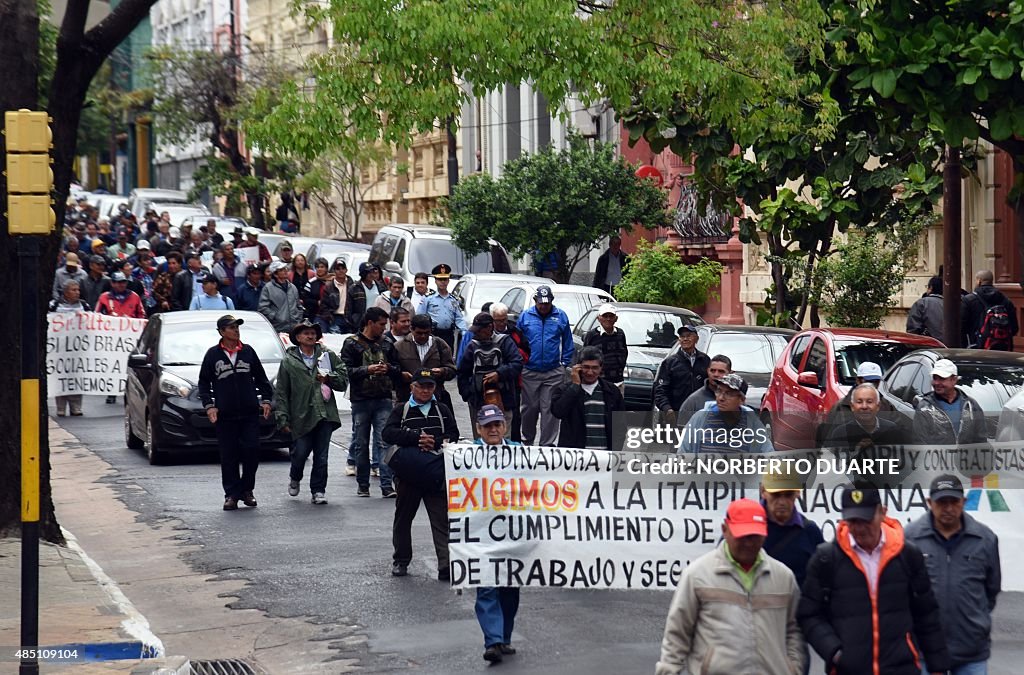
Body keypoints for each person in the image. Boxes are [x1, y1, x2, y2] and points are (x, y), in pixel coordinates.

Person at [798, 484, 951, 675]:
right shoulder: (826, 559)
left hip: (901, 669)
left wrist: (938, 668)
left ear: (882, 512)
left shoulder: (908, 555)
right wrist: (835, 652)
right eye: (853, 521)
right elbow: (808, 614)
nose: (859, 528)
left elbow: (926, 614)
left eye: (866, 519)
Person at [657, 499, 805, 675]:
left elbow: (794, 630)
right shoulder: (697, 575)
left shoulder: (783, 577)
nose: (749, 543)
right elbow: (677, 634)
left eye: (755, 536)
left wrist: (793, 669)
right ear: (725, 529)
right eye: (743, 536)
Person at [905, 474, 1001, 675]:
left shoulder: (985, 539)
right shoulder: (909, 539)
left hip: (971, 652)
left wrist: (975, 620)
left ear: (963, 502)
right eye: (941, 502)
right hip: (924, 650)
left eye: (954, 502)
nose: (948, 508)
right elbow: (901, 590)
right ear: (930, 503)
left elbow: (991, 590)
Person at [381, 369, 459, 579]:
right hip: (408, 475)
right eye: (421, 386)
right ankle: (401, 560)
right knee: (404, 519)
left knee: (441, 520)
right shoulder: (401, 410)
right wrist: (415, 438)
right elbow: (387, 434)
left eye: (429, 386)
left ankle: (445, 565)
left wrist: (435, 440)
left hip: (434, 473)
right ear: (412, 387)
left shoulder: (442, 409)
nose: (425, 390)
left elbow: (454, 434)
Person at [198, 315, 274, 511]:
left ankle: (247, 490)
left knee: (251, 450)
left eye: (237, 327)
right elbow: (204, 383)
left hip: (249, 413)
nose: (235, 330)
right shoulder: (213, 355)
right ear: (222, 332)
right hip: (225, 414)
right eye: (231, 328)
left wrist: (266, 400)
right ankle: (231, 494)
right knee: (229, 455)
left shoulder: (248, 352)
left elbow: (262, 379)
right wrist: (209, 405)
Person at [274, 320, 349, 505]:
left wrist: (328, 378)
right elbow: (282, 391)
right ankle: (295, 475)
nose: (310, 336)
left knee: (321, 456)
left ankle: (318, 490)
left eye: (313, 333)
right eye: (306, 333)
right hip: (301, 415)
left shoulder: (327, 356)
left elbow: (343, 380)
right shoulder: (288, 362)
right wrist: (282, 417)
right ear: (297, 338)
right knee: (300, 452)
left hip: (324, 414)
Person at [471, 405, 522, 663]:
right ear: (479, 428)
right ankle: (492, 641)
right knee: (487, 586)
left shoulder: (520, 452)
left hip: (514, 532)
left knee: (510, 588)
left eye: (497, 425)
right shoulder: (466, 455)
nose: (493, 430)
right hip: (481, 534)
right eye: (487, 426)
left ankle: (504, 637)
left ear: (504, 426)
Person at [340, 307, 401, 497]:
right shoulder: (351, 343)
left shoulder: (388, 344)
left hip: (383, 398)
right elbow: (345, 371)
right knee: (361, 442)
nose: (384, 329)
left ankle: (386, 486)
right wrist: (367, 370)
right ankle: (363, 484)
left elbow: (398, 369)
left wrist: (388, 369)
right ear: (370, 323)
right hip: (361, 400)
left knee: (384, 441)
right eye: (381, 324)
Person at [518, 285, 574, 446]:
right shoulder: (525, 316)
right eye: (541, 303)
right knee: (529, 408)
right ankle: (527, 441)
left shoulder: (560, 316)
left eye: (547, 303)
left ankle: (547, 445)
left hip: (553, 371)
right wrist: (520, 362)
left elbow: (568, 342)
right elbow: (517, 341)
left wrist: (564, 364)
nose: (543, 306)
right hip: (529, 371)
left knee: (549, 409)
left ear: (551, 301)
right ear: (535, 301)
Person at [549, 346, 625, 450]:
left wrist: (616, 449)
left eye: (594, 368)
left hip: (604, 456)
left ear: (601, 368)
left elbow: (620, 424)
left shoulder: (611, 392)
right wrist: (575, 386)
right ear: (578, 367)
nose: (590, 372)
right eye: (586, 367)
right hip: (576, 456)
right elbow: (558, 412)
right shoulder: (564, 389)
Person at [676, 374, 773, 454]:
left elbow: (768, 456)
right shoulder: (700, 419)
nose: (721, 398)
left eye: (729, 394)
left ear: (741, 400)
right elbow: (683, 454)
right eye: (719, 391)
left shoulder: (752, 424)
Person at [457, 312, 523, 423]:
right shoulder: (472, 346)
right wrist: (468, 395)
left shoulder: (504, 342)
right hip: (478, 401)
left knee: (503, 437)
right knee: (480, 438)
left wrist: (499, 374)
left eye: (479, 330)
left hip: (503, 399)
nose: (476, 334)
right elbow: (462, 372)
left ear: (489, 327)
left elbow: (517, 363)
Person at [913, 359, 987, 445]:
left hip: (965, 458)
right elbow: (920, 444)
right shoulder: (925, 408)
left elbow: (981, 441)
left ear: (954, 380)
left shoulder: (971, 405)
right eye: (935, 378)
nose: (936, 383)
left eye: (942, 379)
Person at [395, 313, 458, 408]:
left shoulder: (440, 345)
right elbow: (393, 372)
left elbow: (452, 370)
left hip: (435, 399)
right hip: (407, 400)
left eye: (426, 333)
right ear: (411, 329)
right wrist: (401, 375)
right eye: (419, 333)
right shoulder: (399, 347)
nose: (423, 336)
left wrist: (442, 371)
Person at [819, 361, 894, 440]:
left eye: (876, 382)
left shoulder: (887, 405)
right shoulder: (841, 407)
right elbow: (830, 440)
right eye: (869, 381)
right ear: (858, 380)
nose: (872, 385)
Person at [49, 280, 91, 417]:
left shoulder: (84, 306)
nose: (77, 292)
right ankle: (60, 407)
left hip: (78, 348)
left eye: (78, 290)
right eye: (73, 290)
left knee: (76, 376)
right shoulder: (54, 305)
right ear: (65, 292)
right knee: (60, 376)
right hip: (59, 349)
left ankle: (76, 407)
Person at [653, 325, 710, 425]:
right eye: (682, 336)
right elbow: (660, 390)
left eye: (689, 336)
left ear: (696, 339)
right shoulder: (670, 362)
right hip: (676, 414)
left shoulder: (705, 360)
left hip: (699, 414)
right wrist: (667, 408)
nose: (685, 339)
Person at [825, 383, 906, 449]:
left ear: (878, 406)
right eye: (859, 402)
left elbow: (903, 460)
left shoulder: (892, 429)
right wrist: (855, 451)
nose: (864, 406)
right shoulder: (840, 433)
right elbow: (835, 464)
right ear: (852, 406)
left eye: (869, 402)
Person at [963, 269, 1019, 350]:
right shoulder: (1006, 300)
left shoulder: (969, 300)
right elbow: (1014, 328)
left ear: (979, 281)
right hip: (1002, 349)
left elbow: (962, 327)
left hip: (977, 348)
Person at [417, 263, 467, 351]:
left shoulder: (453, 299)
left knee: (447, 358)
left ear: (448, 281)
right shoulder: (428, 298)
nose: (443, 282)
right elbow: (420, 316)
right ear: (435, 281)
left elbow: (459, 318)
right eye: (440, 279)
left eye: (445, 279)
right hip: (432, 334)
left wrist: (464, 332)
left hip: (448, 334)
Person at [580, 304, 628, 394]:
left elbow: (624, 353)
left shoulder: (620, 334)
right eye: (605, 316)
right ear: (599, 318)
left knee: (617, 407)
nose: (608, 319)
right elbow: (584, 357)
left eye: (611, 316)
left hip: (618, 381)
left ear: (616, 318)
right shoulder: (592, 335)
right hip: (598, 382)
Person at [318, 258, 365, 335]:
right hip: (335, 318)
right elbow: (324, 306)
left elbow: (358, 304)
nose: (341, 271)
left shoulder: (353, 285)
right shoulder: (329, 287)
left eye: (343, 268)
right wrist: (330, 318)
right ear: (334, 271)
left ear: (346, 270)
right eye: (338, 269)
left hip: (350, 319)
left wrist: (354, 318)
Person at [258, 261, 304, 333]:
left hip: (295, 328)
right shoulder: (268, 288)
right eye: (281, 270)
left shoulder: (292, 287)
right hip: (278, 329)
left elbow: (298, 305)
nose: (285, 271)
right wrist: (276, 317)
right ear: (275, 274)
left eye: (285, 269)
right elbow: (263, 308)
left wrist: (298, 319)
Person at [906, 276, 947, 344]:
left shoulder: (921, 303)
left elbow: (913, 330)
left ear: (931, 287)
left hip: (929, 346)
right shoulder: (953, 304)